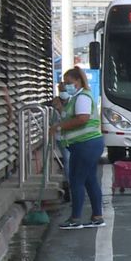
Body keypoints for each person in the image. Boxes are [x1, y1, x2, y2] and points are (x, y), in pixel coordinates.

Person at [50, 66, 105, 229]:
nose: (66, 85)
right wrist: (61, 108)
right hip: (87, 145)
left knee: (76, 180)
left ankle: (75, 219)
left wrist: (59, 127)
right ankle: (97, 216)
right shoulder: (76, 98)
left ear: (79, 81)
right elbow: (72, 116)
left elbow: (82, 119)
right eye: (64, 83)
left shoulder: (82, 97)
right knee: (89, 180)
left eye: (69, 82)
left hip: (85, 145)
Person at [52, 81, 71, 199]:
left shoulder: (73, 102)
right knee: (68, 160)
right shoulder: (55, 102)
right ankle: (68, 185)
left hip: (73, 136)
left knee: (72, 161)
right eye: (61, 91)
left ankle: (71, 182)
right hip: (61, 137)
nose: (63, 93)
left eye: (64, 91)